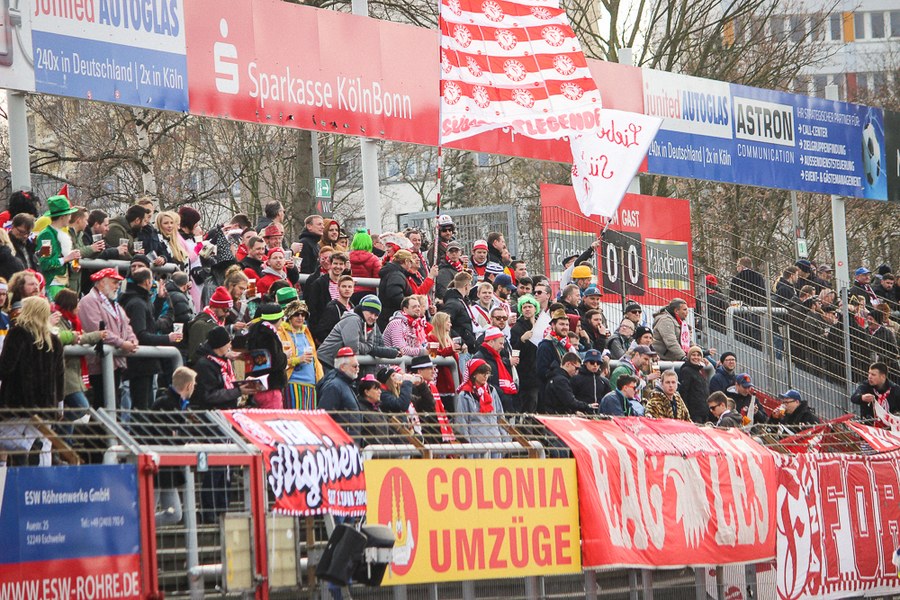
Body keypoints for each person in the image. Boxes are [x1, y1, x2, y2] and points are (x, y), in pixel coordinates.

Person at [0, 297, 64, 466]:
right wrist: (60, 404)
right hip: (46, 405)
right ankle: (41, 479)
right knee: (45, 448)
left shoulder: (18, 334)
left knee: (6, 440)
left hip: (18, 403)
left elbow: (6, 367)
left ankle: (24, 449)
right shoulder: (54, 340)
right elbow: (60, 376)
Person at [120, 269, 183, 410]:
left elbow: (150, 321)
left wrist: (160, 299)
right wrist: (167, 338)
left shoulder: (141, 299)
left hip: (146, 362)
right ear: (148, 281)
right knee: (141, 406)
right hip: (140, 363)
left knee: (146, 404)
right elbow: (141, 334)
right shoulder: (137, 303)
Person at [79, 268, 139, 410]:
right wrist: (122, 343)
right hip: (98, 362)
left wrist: (132, 340)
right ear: (102, 282)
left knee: (112, 403)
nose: (117, 286)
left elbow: (126, 325)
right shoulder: (88, 301)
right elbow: (97, 330)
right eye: (114, 282)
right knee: (102, 403)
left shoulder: (114, 303)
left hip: (114, 362)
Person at [54, 289, 106, 437]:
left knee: (72, 410)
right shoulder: (58, 320)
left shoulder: (72, 321)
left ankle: (65, 445)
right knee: (82, 407)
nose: (79, 306)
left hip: (72, 373)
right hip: (65, 374)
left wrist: (96, 336)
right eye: (76, 303)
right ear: (69, 305)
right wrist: (97, 335)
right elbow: (74, 338)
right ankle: (58, 428)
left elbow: (80, 336)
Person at [317, 295, 400, 370]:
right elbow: (353, 348)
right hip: (325, 361)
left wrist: (359, 344)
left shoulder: (370, 325)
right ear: (363, 310)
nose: (373, 317)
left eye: (376, 315)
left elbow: (369, 346)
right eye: (371, 313)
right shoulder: (353, 320)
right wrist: (361, 345)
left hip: (336, 364)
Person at [35, 195, 81, 300]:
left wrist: (74, 264)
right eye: (69, 215)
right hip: (51, 287)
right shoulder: (47, 235)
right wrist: (66, 259)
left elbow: (64, 260)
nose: (70, 218)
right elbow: (45, 263)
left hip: (62, 285)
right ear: (62, 217)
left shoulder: (60, 233)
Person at [245, 303, 289, 409]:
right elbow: (274, 362)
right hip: (270, 388)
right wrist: (284, 356)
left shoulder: (255, 332)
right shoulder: (269, 336)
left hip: (256, 387)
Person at [454, 358, 507, 445]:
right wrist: (467, 445)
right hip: (476, 443)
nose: (485, 376)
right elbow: (462, 421)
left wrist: (505, 440)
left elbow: (500, 415)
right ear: (474, 374)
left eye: (487, 373)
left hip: (496, 440)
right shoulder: (465, 395)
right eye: (482, 373)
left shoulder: (491, 390)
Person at [281, 301, 323, 410]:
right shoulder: (282, 333)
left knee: (309, 417)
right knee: (296, 417)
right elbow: (280, 361)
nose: (300, 317)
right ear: (289, 316)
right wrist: (298, 360)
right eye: (296, 314)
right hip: (293, 382)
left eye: (303, 314)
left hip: (311, 383)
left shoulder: (306, 332)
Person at [317, 347, 363, 435]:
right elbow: (324, 417)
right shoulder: (334, 386)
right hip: (341, 440)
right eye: (354, 366)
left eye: (358, 366)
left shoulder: (345, 384)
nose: (358, 369)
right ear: (342, 367)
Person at [473, 326, 518, 413]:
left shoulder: (497, 357)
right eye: (500, 343)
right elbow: (481, 382)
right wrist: (501, 393)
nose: (502, 347)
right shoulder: (479, 358)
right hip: (489, 405)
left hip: (502, 403)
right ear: (491, 342)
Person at [426, 311, 463, 413]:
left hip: (451, 382)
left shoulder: (448, 339)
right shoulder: (431, 337)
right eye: (448, 322)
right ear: (441, 323)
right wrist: (450, 350)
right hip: (441, 382)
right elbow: (433, 355)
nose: (450, 325)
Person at [312, 275, 354, 345]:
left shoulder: (353, 308)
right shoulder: (332, 308)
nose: (347, 289)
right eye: (344, 286)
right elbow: (321, 332)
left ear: (353, 289)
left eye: (350, 287)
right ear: (338, 288)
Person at [377, 250, 415, 330]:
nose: (411, 265)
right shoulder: (396, 275)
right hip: (392, 317)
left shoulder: (392, 272)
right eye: (410, 262)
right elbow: (395, 296)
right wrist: (409, 305)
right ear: (406, 261)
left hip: (387, 316)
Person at [442, 272, 477, 351]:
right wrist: (460, 341)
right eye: (470, 285)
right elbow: (443, 324)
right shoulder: (453, 304)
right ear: (466, 286)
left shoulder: (461, 301)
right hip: (461, 349)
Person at [536, 308, 572, 383]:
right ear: (553, 325)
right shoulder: (545, 346)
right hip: (553, 387)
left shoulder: (567, 344)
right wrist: (561, 372)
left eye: (567, 324)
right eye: (561, 324)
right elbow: (542, 372)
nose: (565, 327)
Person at [678, 346, 711, 423]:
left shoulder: (700, 371)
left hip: (703, 411)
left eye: (698, 355)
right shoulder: (686, 370)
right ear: (689, 357)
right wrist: (686, 412)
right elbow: (684, 392)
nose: (696, 357)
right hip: (693, 413)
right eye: (693, 355)